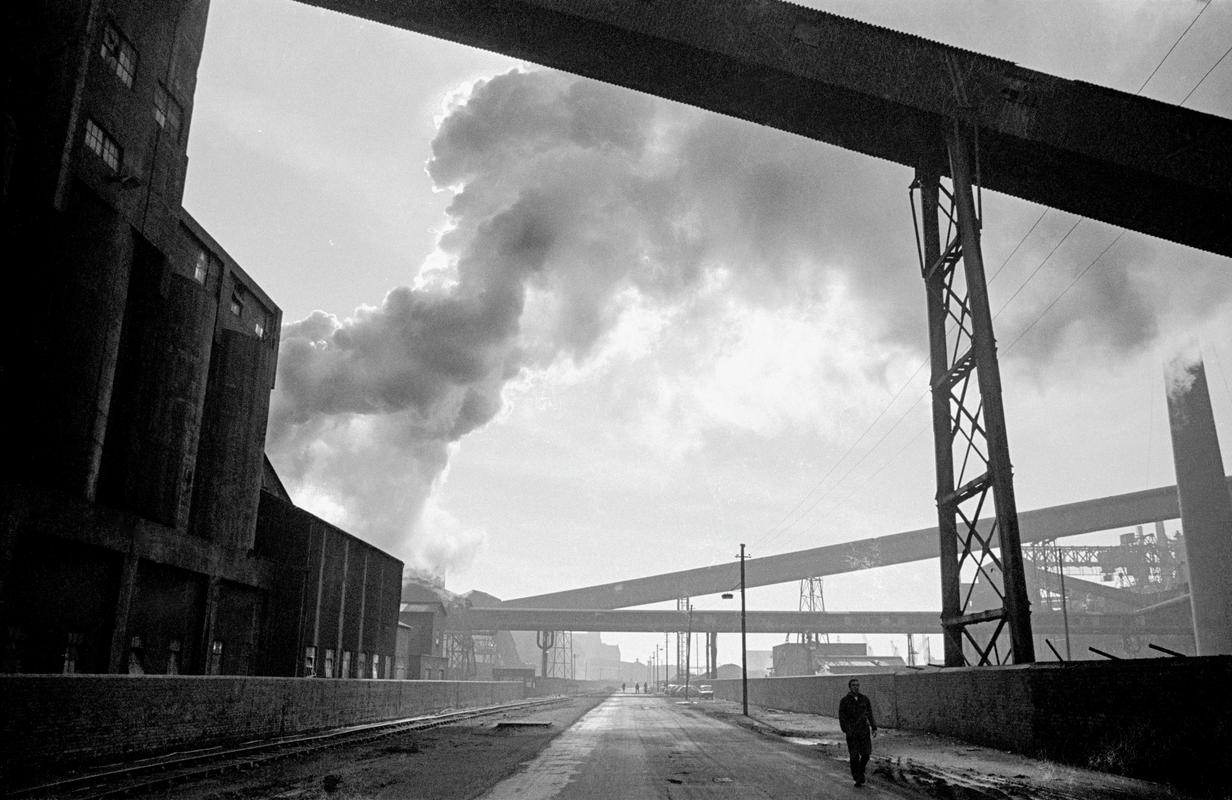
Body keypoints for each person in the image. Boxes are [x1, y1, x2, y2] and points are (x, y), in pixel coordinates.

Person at [838, 678, 878, 786]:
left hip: (864, 731)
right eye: (854, 685)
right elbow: (842, 717)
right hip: (852, 733)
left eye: (857, 685)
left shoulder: (864, 699)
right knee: (854, 756)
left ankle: (860, 771)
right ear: (850, 687)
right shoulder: (845, 701)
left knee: (866, 754)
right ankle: (857, 776)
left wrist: (874, 728)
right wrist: (846, 730)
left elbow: (869, 714)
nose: (856, 687)